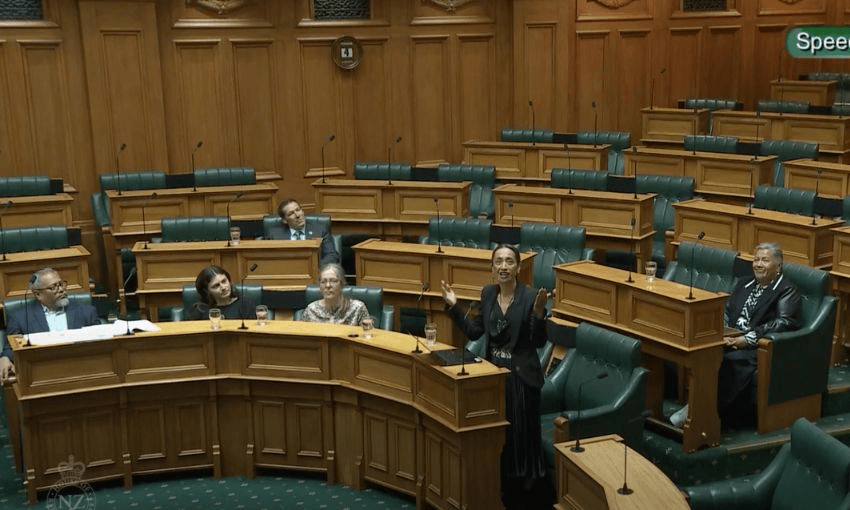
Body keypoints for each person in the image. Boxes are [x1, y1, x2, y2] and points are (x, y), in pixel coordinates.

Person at [440, 244, 552, 510]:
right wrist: (455, 307)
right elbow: (476, 332)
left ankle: (525, 497)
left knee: (521, 439)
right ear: (492, 267)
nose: (503, 267)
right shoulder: (488, 293)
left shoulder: (531, 296)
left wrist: (538, 313)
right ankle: (500, 491)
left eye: (509, 262)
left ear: (518, 267)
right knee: (499, 437)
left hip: (521, 380)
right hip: (494, 377)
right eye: (498, 261)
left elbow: (537, 341)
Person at [670, 242, 800, 428]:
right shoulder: (744, 282)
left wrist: (745, 340)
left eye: (765, 260)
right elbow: (727, 310)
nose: (758, 264)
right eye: (756, 259)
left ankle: (698, 414)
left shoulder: (786, 289)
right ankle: (696, 406)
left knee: (730, 361)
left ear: (778, 266)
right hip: (730, 337)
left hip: (757, 347)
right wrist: (720, 332)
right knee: (702, 352)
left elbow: (784, 323)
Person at [1, 268, 101, 381]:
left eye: (61, 284)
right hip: (41, 375)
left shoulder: (86, 311)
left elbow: (100, 341)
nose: (62, 290)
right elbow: (10, 346)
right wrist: (5, 358)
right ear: (38, 294)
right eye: (54, 287)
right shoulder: (20, 317)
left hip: (82, 371)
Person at [267, 198, 339, 267]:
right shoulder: (275, 236)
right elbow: (270, 260)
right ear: (285, 220)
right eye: (291, 213)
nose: (297, 215)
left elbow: (331, 255)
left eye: (298, 210)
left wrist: (314, 269)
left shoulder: (320, 230)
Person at [301, 263, 370, 326]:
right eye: (323, 282)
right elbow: (303, 338)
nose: (328, 285)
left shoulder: (357, 308)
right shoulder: (311, 310)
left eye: (333, 281)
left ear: (341, 284)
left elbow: (368, 335)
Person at [187, 265, 259, 321]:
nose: (223, 288)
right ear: (206, 291)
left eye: (224, 281)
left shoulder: (246, 304)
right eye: (216, 286)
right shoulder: (200, 310)